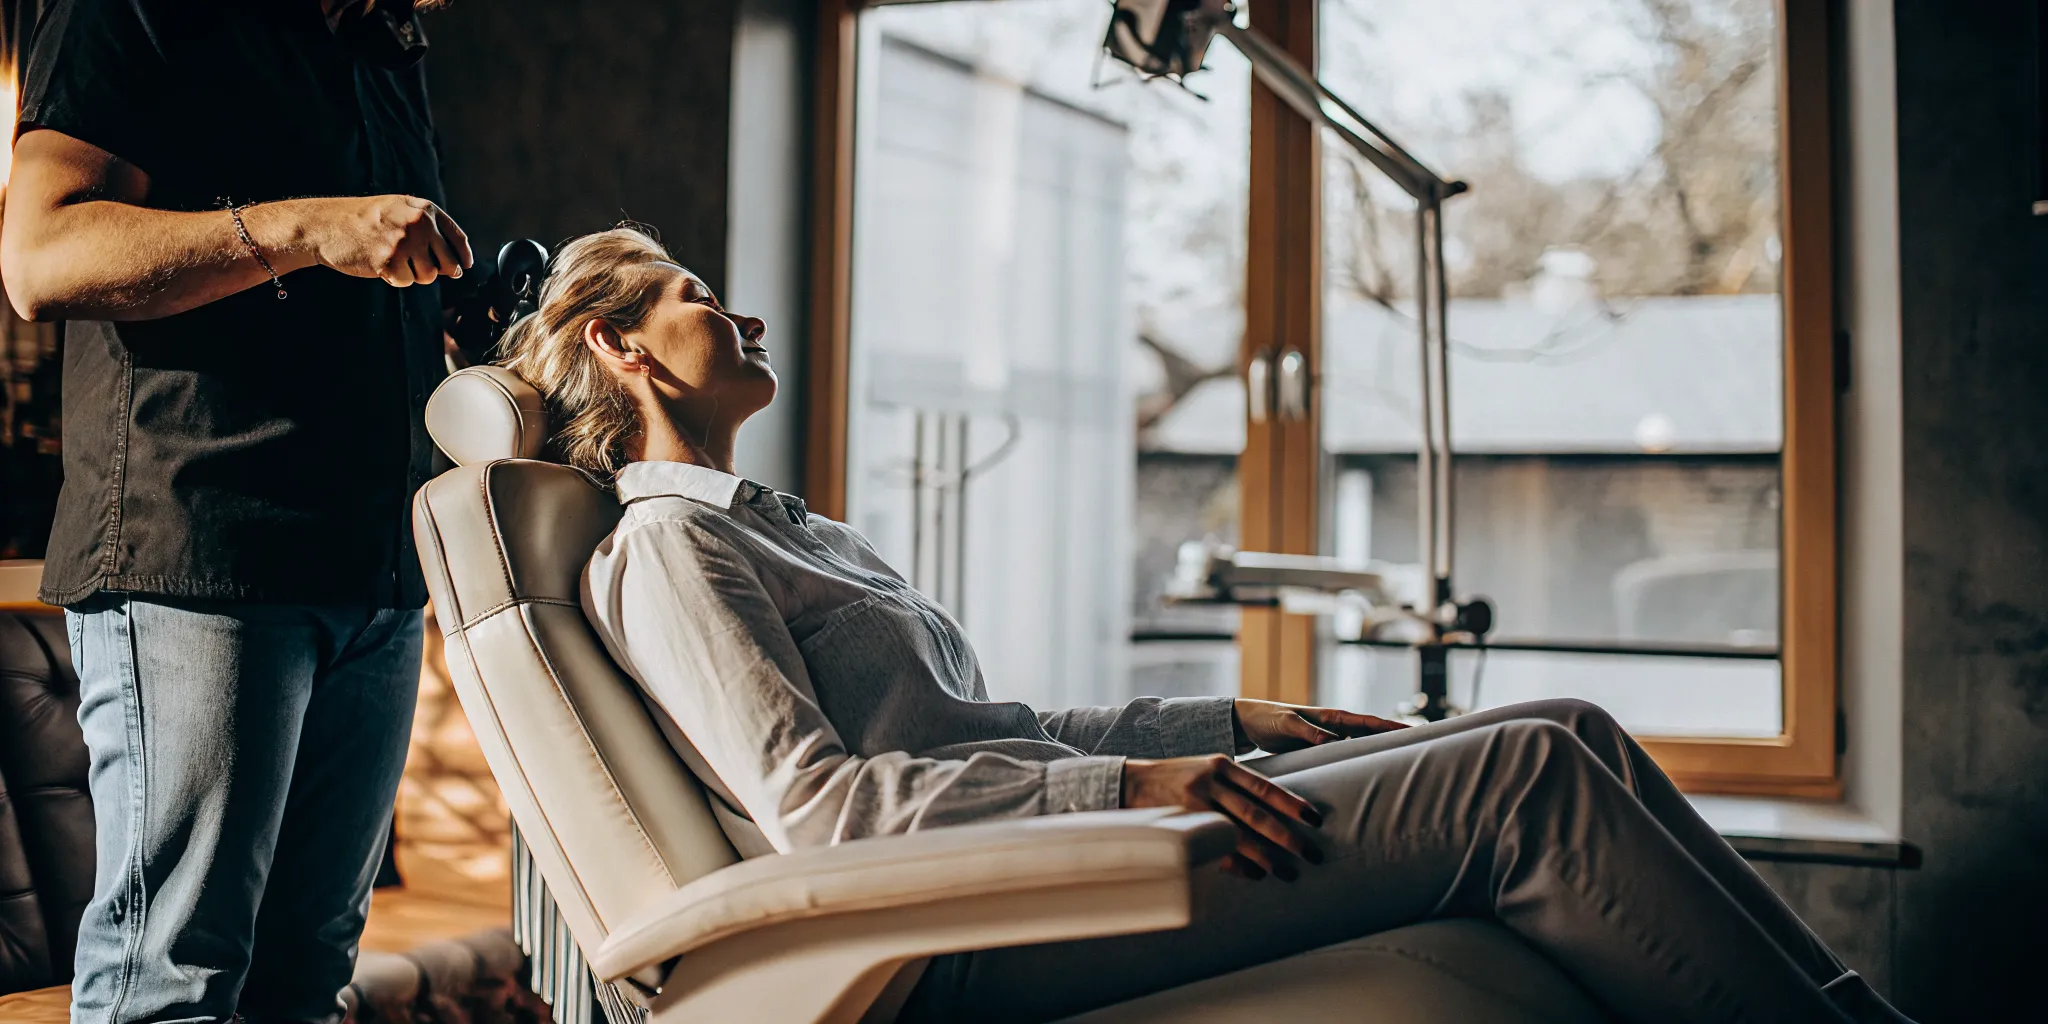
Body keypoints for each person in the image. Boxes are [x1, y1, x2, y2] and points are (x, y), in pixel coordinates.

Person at [502, 227, 1916, 1024]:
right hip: (951, 929)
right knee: (1522, 778)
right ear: (621, 348)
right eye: (696, 299)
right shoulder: (667, 545)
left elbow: (997, 731)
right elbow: (828, 812)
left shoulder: (781, 528)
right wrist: (1130, 789)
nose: (740, 314)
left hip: (1019, 860)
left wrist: (1228, 722)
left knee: (1562, 722)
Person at [0, 2, 471, 1021]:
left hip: (375, 578)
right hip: (203, 557)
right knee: (173, 983)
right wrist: (310, 226)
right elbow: (40, 256)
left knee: (302, 982)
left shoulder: (380, 41)